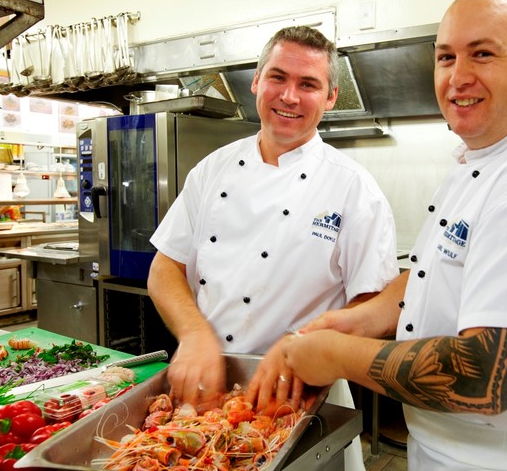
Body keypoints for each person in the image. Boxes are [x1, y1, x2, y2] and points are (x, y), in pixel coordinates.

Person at [282, 0, 507, 470]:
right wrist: (357, 320)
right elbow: (434, 272)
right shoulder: (482, 159)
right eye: (446, 57)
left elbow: (486, 375)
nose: (458, 77)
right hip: (448, 448)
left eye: (483, 54)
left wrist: (335, 353)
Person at [147, 25, 400, 470]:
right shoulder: (212, 170)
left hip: (301, 399)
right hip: (205, 388)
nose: (289, 96)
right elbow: (165, 266)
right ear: (256, 83)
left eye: (308, 85)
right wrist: (195, 335)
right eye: (278, 78)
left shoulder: (354, 188)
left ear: (330, 97)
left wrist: (307, 349)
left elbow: (372, 304)